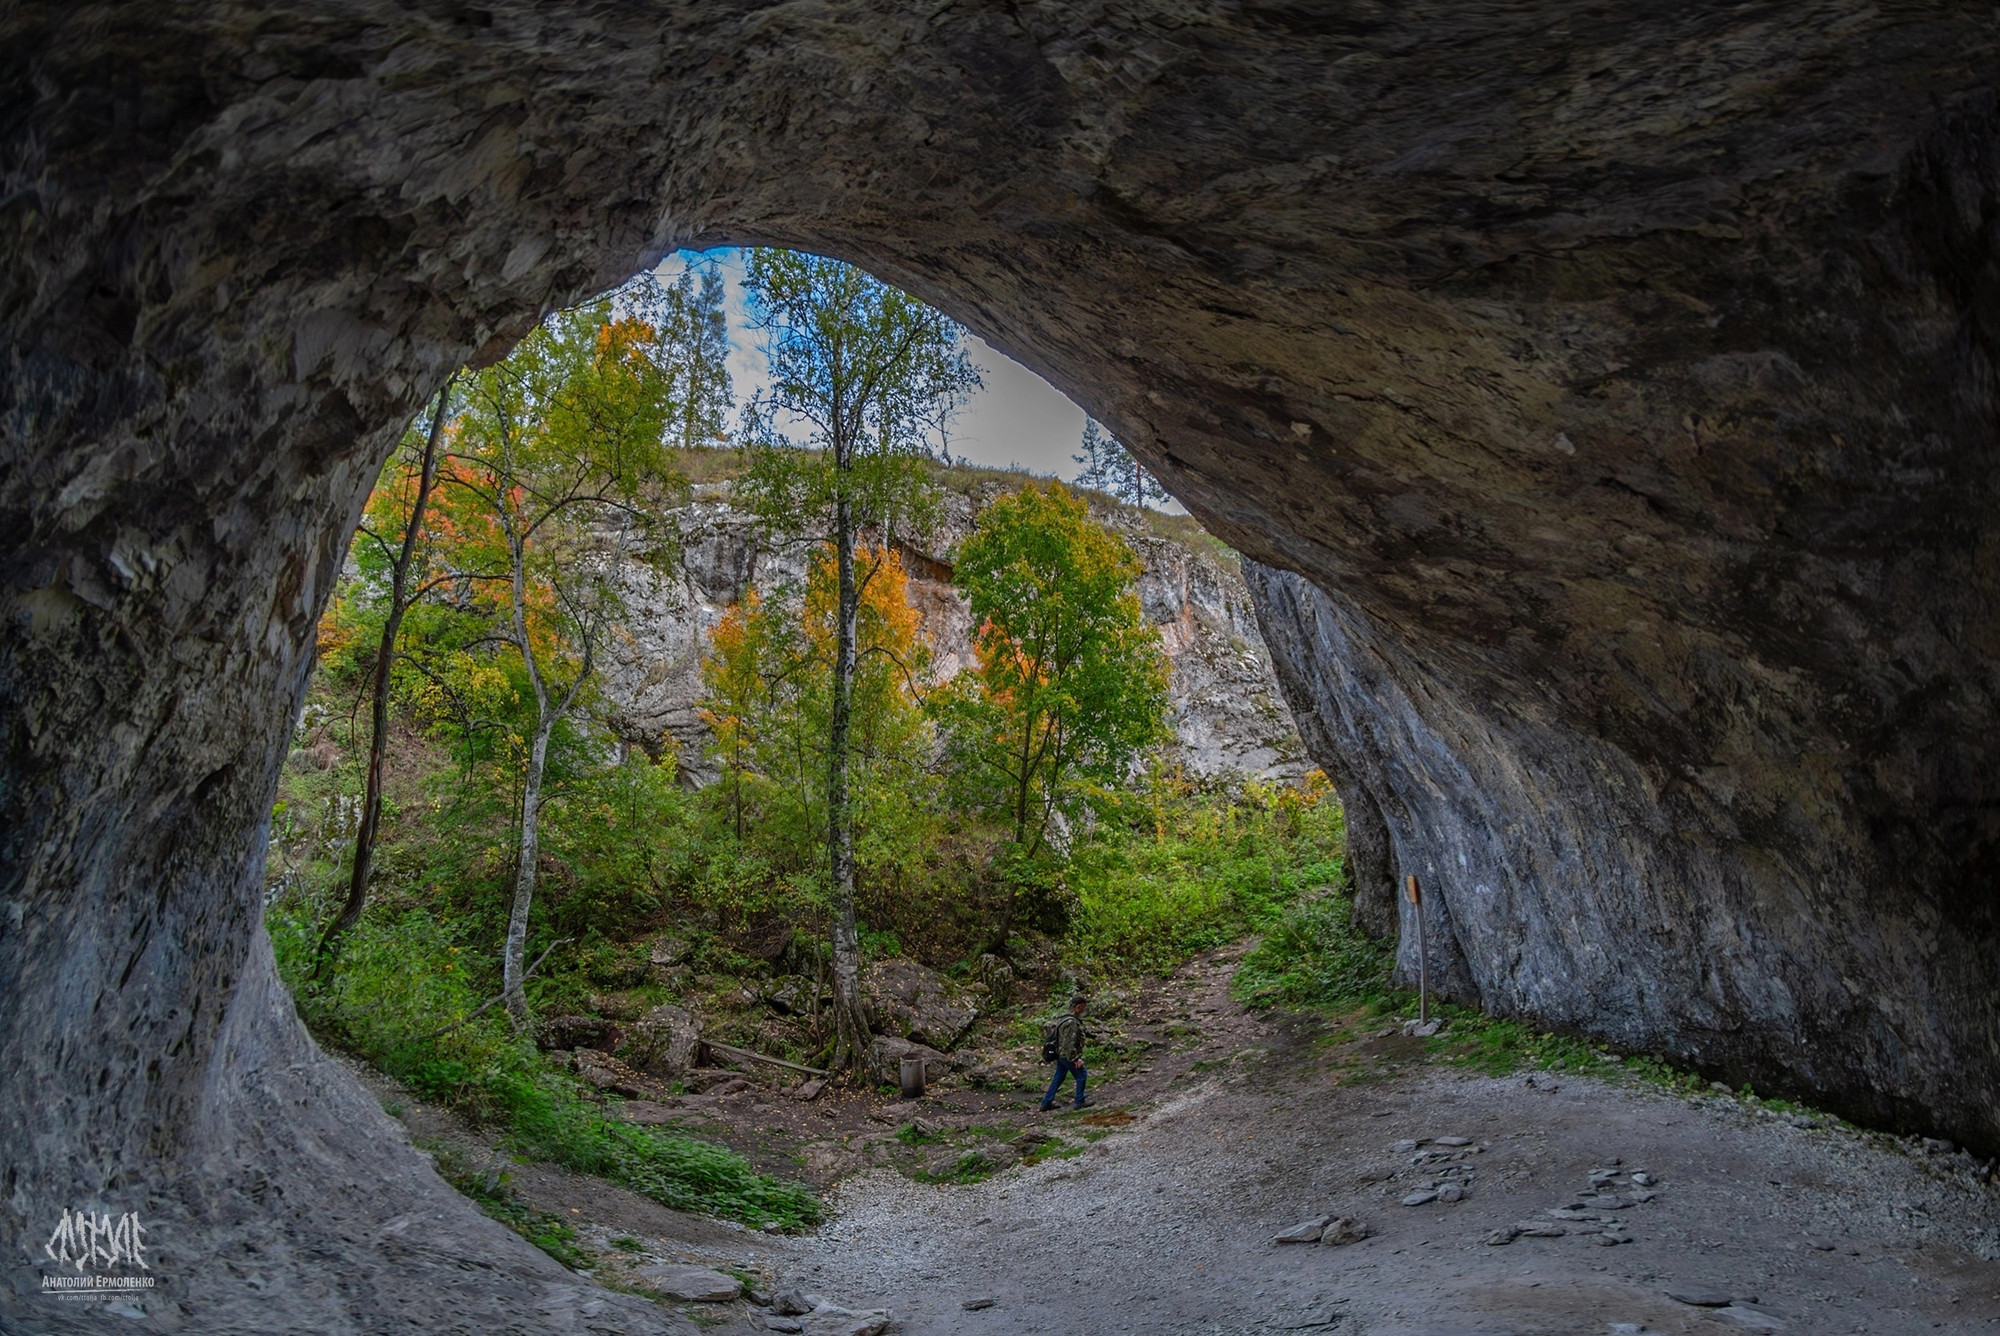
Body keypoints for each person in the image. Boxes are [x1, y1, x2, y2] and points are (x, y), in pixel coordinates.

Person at [1040, 993, 1093, 1112]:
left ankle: (1046, 1102)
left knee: (1058, 1078)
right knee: (1082, 1075)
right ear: (1078, 1007)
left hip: (1060, 1054)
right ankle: (1080, 1101)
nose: (1084, 1010)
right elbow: (1068, 1043)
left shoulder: (1064, 1018)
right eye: (1083, 1007)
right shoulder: (1072, 1022)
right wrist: (1075, 1059)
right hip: (1066, 1055)